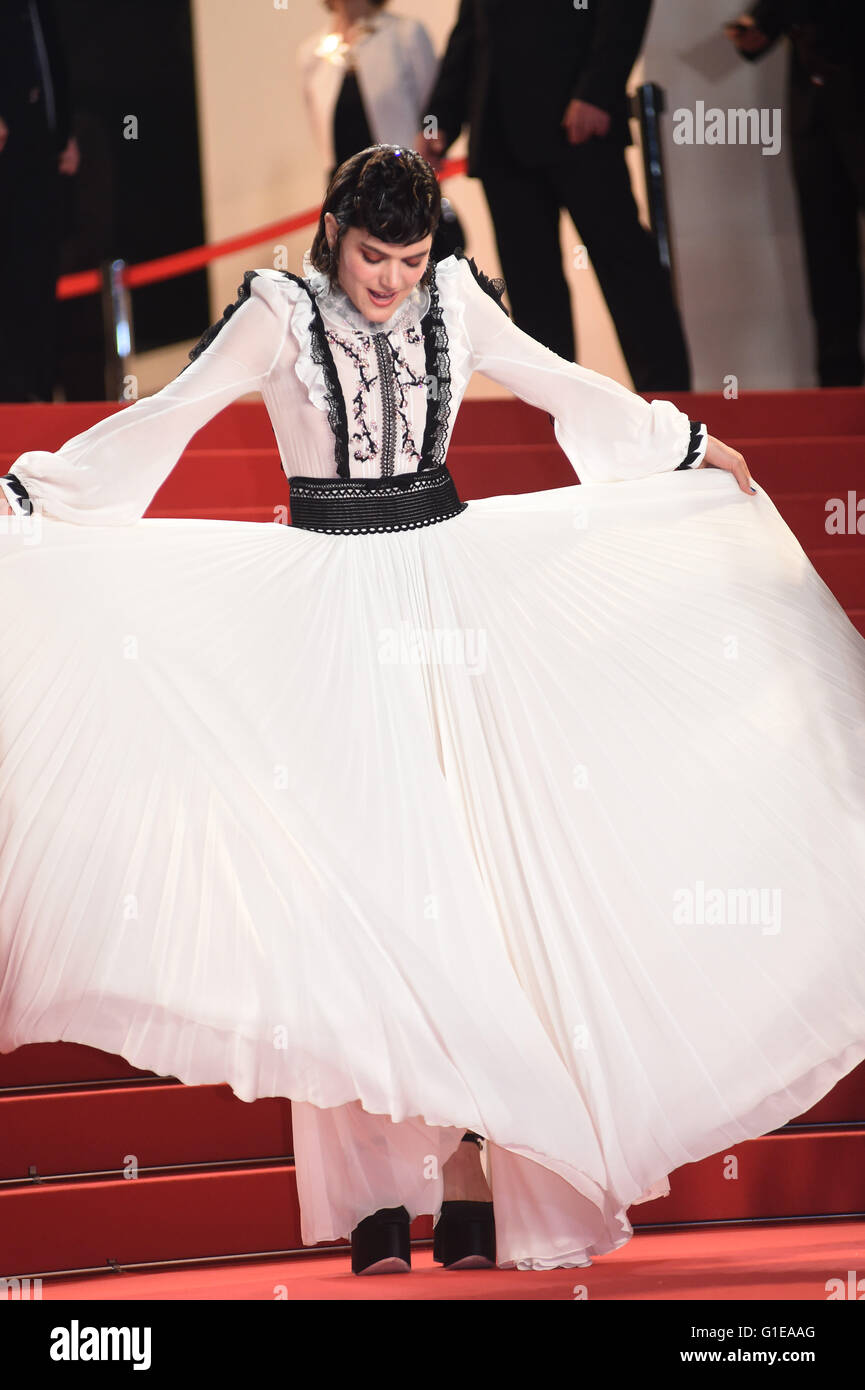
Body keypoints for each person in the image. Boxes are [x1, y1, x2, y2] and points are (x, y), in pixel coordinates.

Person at [2, 146, 864, 1276]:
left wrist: (684, 445)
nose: (391, 281)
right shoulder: (277, 313)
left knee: (467, 888)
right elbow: (166, 418)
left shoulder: (455, 297)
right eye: (373, 256)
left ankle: (465, 1177)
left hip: (451, 599)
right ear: (331, 236)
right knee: (350, 894)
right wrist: (37, 490)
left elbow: (564, 384)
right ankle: (370, 1198)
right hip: (324, 608)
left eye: (410, 259)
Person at [415, 0, 693, 390]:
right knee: (532, 294)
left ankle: (673, 411)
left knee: (628, 273)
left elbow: (624, 9)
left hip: (579, 123)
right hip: (501, 133)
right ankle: (554, 417)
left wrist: (597, 91)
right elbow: (471, 30)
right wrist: (438, 122)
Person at [725, 2, 865, 386]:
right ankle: (840, 380)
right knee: (825, 247)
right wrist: (760, 28)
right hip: (813, 107)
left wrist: (770, 16)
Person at [298, 0, 465, 262]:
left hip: (405, 191)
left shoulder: (406, 35)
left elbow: (434, 113)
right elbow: (321, 135)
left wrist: (431, 157)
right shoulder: (311, 54)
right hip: (346, 201)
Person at [0, 0, 79, 402]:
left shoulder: (41, 8)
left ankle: (39, 395)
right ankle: (15, 399)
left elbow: (54, 68)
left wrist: (65, 134)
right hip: (10, 163)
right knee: (12, 283)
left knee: (40, 279)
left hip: (44, 161)